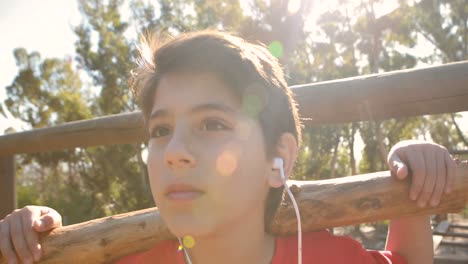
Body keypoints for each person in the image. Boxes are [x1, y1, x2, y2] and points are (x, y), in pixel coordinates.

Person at [0, 31, 457, 264]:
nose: (175, 151)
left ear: (279, 159)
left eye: (212, 123)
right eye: (161, 131)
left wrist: (412, 187)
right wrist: (25, 240)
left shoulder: (325, 257)